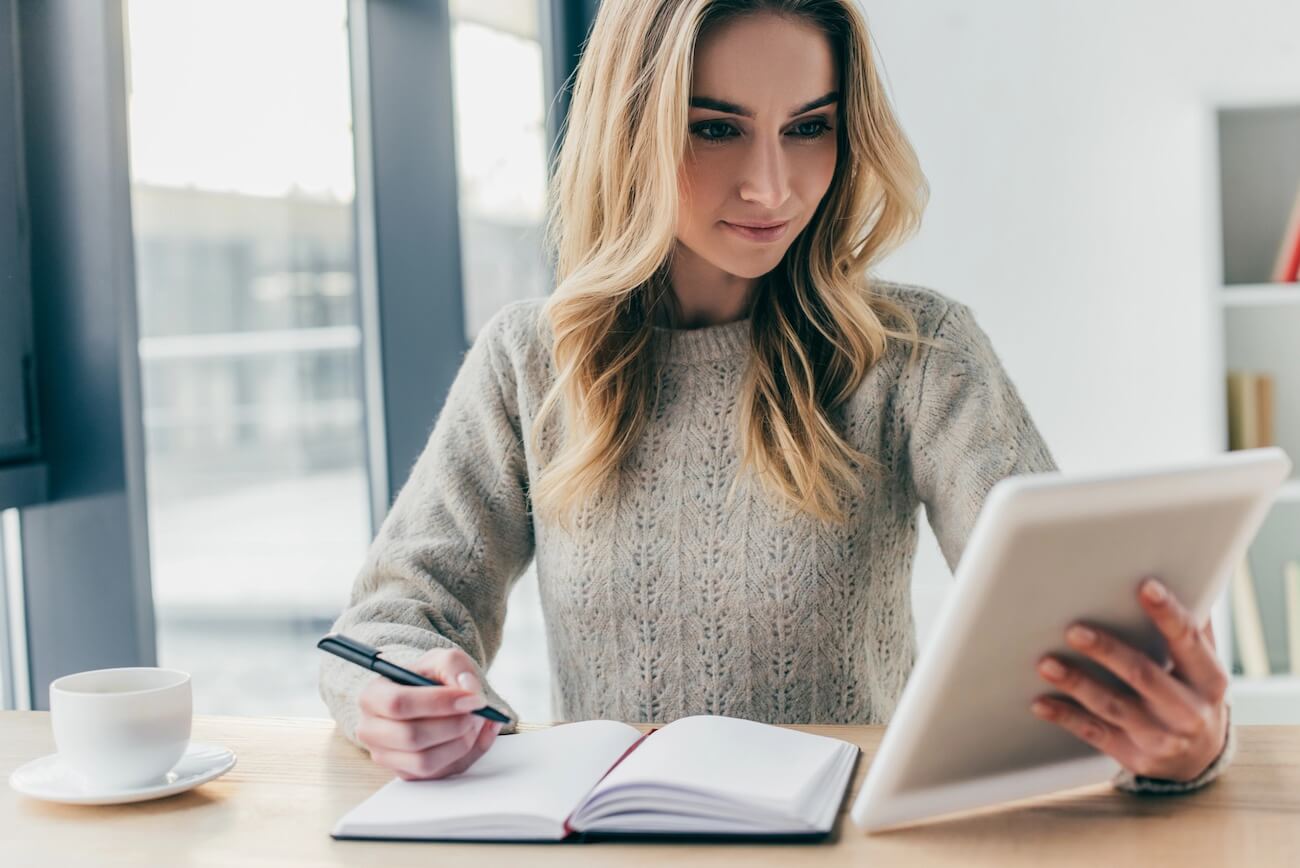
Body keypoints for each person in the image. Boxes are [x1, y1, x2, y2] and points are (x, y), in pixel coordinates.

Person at [319, 0, 1234, 791]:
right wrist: (392, 694)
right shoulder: (531, 360)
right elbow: (390, 618)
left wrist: (1183, 743)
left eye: (809, 127)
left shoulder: (915, 355)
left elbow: (1064, 624)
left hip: (847, 845)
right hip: (618, 843)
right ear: (630, 127)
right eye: (714, 126)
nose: (771, 185)